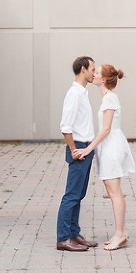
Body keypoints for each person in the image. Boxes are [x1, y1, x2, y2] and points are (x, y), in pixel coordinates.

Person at [76, 63, 135, 251]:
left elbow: (106, 129)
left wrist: (88, 149)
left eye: (97, 72)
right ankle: (120, 232)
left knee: (114, 192)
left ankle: (120, 234)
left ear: (104, 79)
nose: (93, 74)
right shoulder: (107, 98)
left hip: (111, 147)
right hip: (108, 146)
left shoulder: (109, 99)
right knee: (112, 191)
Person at [56, 56, 98, 252]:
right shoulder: (74, 94)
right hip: (79, 148)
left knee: (79, 194)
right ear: (83, 69)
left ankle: (74, 233)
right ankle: (63, 238)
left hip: (87, 148)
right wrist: (74, 150)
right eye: (92, 69)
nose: (94, 73)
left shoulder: (82, 93)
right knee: (71, 195)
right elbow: (65, 126)